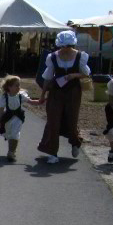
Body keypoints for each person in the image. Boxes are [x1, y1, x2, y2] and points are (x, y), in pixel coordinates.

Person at [37, 30, 90, 164]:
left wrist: (74, 75)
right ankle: (53, 152)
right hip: (56, 91)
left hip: (73, 91)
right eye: (63, 46)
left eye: (68, 46)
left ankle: (75, 142)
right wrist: (43, 95)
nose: (65, 49)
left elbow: (86, 74)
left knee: (72, 120)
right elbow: (48, 78)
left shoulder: (80, 56)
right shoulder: (52, 57)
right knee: (53, 121)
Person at [0, 75, 42, 162]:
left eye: (19, 85)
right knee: (9, 134)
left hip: (18, 118)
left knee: (15, 134)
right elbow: (1, 110)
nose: (18, 87)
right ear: (9, 87)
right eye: (16, 85)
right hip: (8, 118)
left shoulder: (21, 96)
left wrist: (40, 101)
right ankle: (11, 150)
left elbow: (31, 101)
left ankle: (11, 152)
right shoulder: (5, 97)